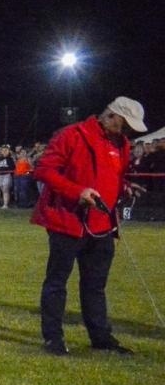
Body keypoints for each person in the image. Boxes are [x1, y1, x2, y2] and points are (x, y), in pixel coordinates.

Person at [31, 97, 147, 356]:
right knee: (57, 281)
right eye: (126, 124)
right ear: (112, 115)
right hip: (68, 221)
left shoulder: (122, 143)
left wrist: (124, 188)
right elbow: (44, 170)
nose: (128, 132)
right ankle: (53, 338)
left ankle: (101, 338)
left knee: (95, 285)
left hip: (102, 224)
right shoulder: (71, 135)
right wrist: (77, 192)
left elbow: (111, 176)